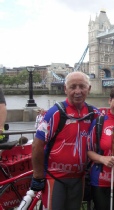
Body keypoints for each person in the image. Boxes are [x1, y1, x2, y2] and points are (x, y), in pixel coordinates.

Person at [31, 72, 99, 210]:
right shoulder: (55, 112)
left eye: (82, 86)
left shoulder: (94, 113)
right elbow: (37, 145)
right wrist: (38, 175)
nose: (78, 91)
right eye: (73, 87)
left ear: (89, 88)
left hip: (79, 178)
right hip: (55, 178)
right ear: (65, 89)